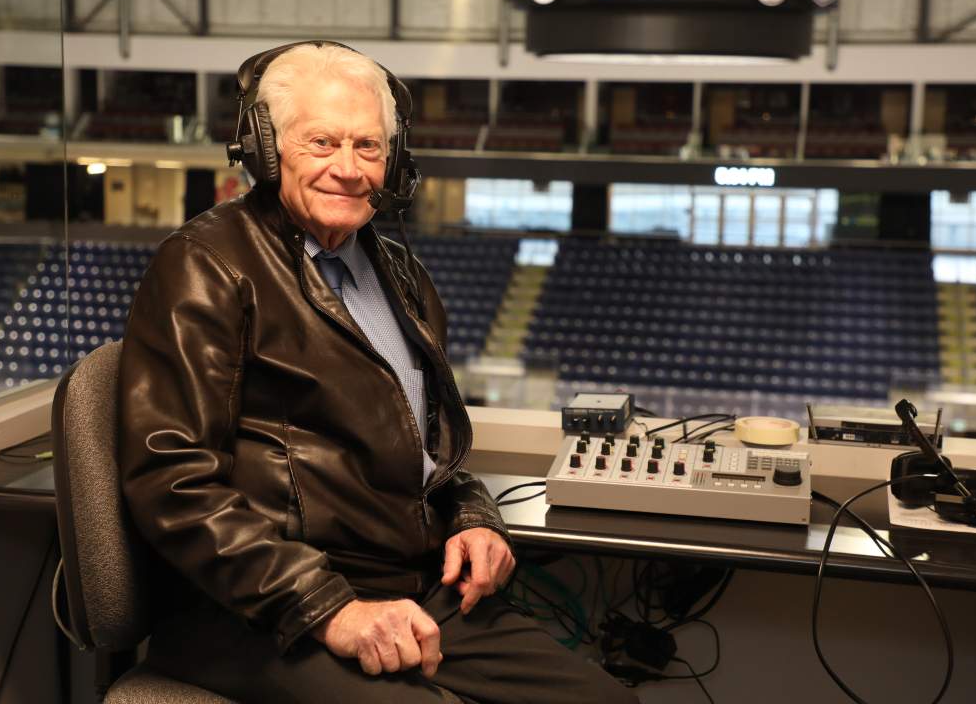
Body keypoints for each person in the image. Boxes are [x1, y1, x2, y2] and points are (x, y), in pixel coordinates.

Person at [118, 41, 636, 704]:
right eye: (323, 143)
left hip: (410, 586)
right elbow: (171, 479)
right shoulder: (206, 265)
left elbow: (421, 450)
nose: (349, 169)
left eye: (368, 147)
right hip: (256, 609)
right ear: (266, 150)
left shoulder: (400, 273)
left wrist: (473, 515)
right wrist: (331, 608)